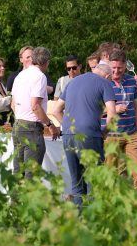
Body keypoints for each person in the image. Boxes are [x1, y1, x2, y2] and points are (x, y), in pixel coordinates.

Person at [50, 63, 116, 207]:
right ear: (107, 76)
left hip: (68, 135)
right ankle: (93, 219)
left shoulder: (72, 82)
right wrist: (105, 131)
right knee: (95, 179)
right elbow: (112, 111)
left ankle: (80, 219)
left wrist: (67, 127)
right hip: (90, 134)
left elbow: (56, 110)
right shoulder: (105, 83)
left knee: (77, 180)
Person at [103, 49, 137, 199]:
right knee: (111, 174)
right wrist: (113, 109)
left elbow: (136, 107)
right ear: (109, 65)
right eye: (113, 68)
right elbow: (95, 109)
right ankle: (110, 207)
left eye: (120, 68)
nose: (116, 71)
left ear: (124, 66)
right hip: (110, 135)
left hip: (131, 134)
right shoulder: (103, 81)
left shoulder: (131, 81)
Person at [11, 46, 59, 178]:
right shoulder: (40, 77)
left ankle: (14, 199)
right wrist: (50, 125)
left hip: (18, 124)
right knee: (31, 175)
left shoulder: (20, 75)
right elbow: (35, 106)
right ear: (47, 62)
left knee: (18, 173)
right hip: (31, 127)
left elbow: (13, 104)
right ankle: (29, 199)